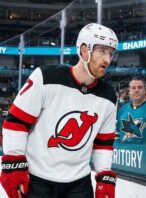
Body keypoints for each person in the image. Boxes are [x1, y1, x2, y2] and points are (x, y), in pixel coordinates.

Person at [0, 23, 119, 198]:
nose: (107, 60)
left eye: (111, 53)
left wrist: (104, 177)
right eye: (102, 51)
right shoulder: (45, 76)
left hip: (79, 185)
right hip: (37, 181)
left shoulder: (109, 96)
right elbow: (16, 123)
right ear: (85, 50)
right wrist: (14, 162)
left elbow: (104, 143)